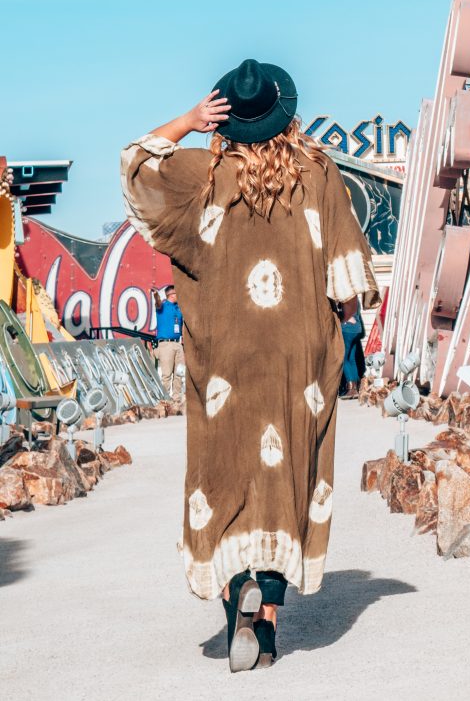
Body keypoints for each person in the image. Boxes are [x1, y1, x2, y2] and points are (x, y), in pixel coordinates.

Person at [120, 58, 380, 673]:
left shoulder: (202, 175)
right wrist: (351, 331)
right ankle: (267, 625)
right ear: (283, 111)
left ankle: (240, 591)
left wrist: (188, 120)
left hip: (227, 353)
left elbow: (135, 163)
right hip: (299, 350)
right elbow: (345, 268)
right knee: (287, 472)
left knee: (228, 468)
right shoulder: (317, 170)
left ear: (228, 114)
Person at [150, 285, 184, 401]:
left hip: (178, 344)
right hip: (166, 345)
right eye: (176, 293)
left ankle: (176, 398)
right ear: (171, 295)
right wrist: (156, 295)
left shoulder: (179, 308)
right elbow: (158, 303)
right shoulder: (163, 306)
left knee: (179, 372)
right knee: (167, 374)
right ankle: (165, 400)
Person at [339, 301, 365, 398]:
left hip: (347, 329)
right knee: (351, 358)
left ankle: (351, 387)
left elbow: (348, 315)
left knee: (344, 358)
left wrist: (342, 319)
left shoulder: (346, 297)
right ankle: (355, 388)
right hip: (356, 329)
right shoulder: (355, 298)